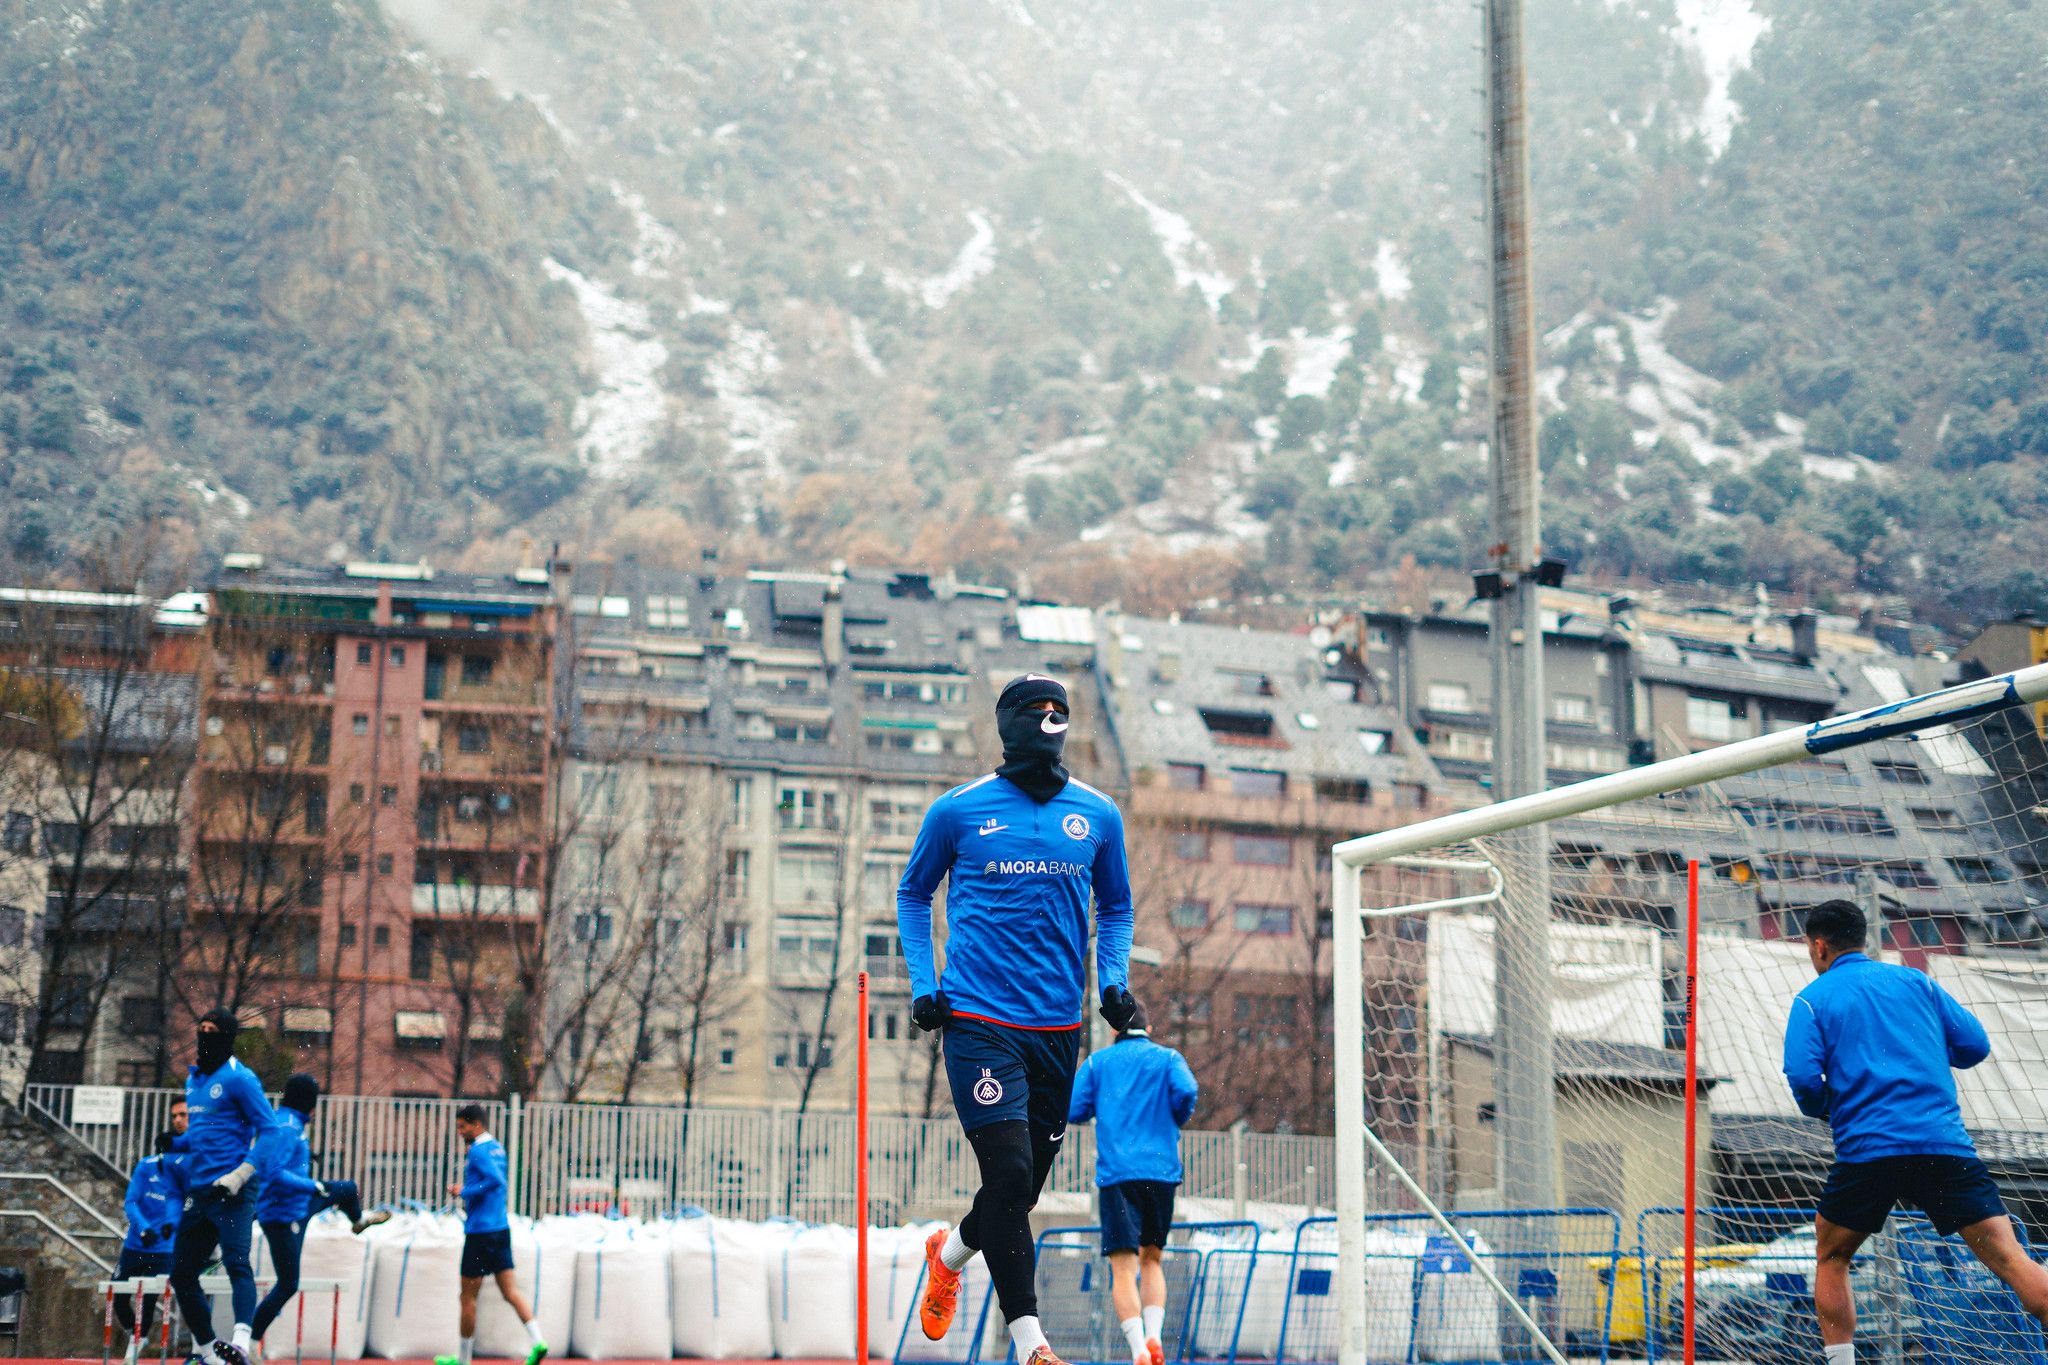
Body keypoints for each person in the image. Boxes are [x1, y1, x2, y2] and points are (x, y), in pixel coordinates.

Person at [899, 673, 1137, 1365]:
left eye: (1061, 711)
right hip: (977, 1019)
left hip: (1059, 1030)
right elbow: (914, 893)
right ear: (1008, 723)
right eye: (1037, 711)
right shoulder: (959, 810)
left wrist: (1114, 981)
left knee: (1020, 1190)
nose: (1050, 719)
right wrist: (925, 984)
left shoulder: (1099, 815)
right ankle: (1031, 1342)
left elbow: (1116, 906)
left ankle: (947, 1254)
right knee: (1007, 1175)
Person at [1782, 899, 2048, 1364]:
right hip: (1942, 1147)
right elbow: (1975, 1045)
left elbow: (1804, 1079)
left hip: (1868, 1153)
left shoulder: (1812, 998)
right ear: (1863, 939)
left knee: (1832, 1255)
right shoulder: (1917, 981)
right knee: (2010, 1258)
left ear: (1819, 945)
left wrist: (1831, 1109)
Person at [1067, 1001, 1199, 1365]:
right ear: (1149, 1029)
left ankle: (1139, 1348)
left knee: (1122, 1267)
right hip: (1161, 1172)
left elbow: (1074, 1110)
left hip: (1118, 1175)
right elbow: (1187, 1091)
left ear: (1114, 1031)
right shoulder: (1168, 1059)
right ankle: (1156, 1337)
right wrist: (1174, 1117)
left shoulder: (1098, 1063)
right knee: (1152, 1260)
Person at [168, 1009, 287, 1365]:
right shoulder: (193, 1082)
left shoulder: (241, 1078)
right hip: (200, 1190)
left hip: (234, 1189)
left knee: (237, 1264)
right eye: (201, 1029)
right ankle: (208, 1352)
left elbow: (270, 1131)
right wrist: (176, 1144)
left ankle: (240, 1343)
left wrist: (240, 1175)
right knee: (182, 1274)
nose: (205, 1035)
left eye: (213, 1031)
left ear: (227, 1036)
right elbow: (206, 1135)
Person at [249, 1074, 386, 1350]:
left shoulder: (292, 1122)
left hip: (301, 1203)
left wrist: (306, 1164)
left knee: (347, 1188)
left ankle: (357, 1221)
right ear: (307, 1101)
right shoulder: (287, 1127)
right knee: (288, 1284)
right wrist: (313, 1185)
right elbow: (274, 1174)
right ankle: (249, 1343)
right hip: (283, 1217)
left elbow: (284, 1161)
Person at [435, 1104, 546, 1365]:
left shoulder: (478, 1151)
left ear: (476, 1125)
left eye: (463, 1126)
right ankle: (539, 1341)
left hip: (480, 1232)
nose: (460, 1132)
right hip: (500, 1229)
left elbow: (496, 1181)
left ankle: (463, 1360)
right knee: (510, 1291)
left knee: (468, 1297)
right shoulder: (497, 1147)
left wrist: (464, 1191)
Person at [114, 1102, 190, 1365]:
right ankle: (137, 1337)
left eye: (184, 1115)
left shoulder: (192, 1168)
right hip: (136, 1245)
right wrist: (144, 1227)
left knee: (147, 1302)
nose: (178, 1120)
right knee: (119, 1298)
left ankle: (136, 1345)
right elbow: (131, 1201)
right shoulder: (147, 1166)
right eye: (174, 1116)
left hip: (164, 1250)